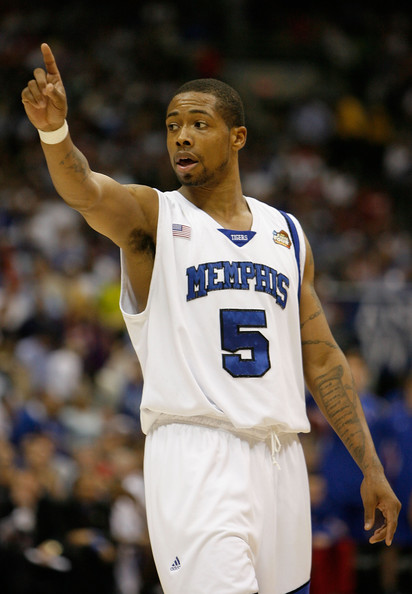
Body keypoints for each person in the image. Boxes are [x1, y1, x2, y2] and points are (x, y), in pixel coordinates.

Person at [21, 43, 401, 594]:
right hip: (196, 454)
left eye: (199, 123)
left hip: (282, 457)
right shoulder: (154, 217)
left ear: (237, 137)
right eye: (172, 125)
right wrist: (55, 134)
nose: (181, 135)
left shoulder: (287, 234)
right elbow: (83, 190)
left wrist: (370, 465)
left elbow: (321, 358)